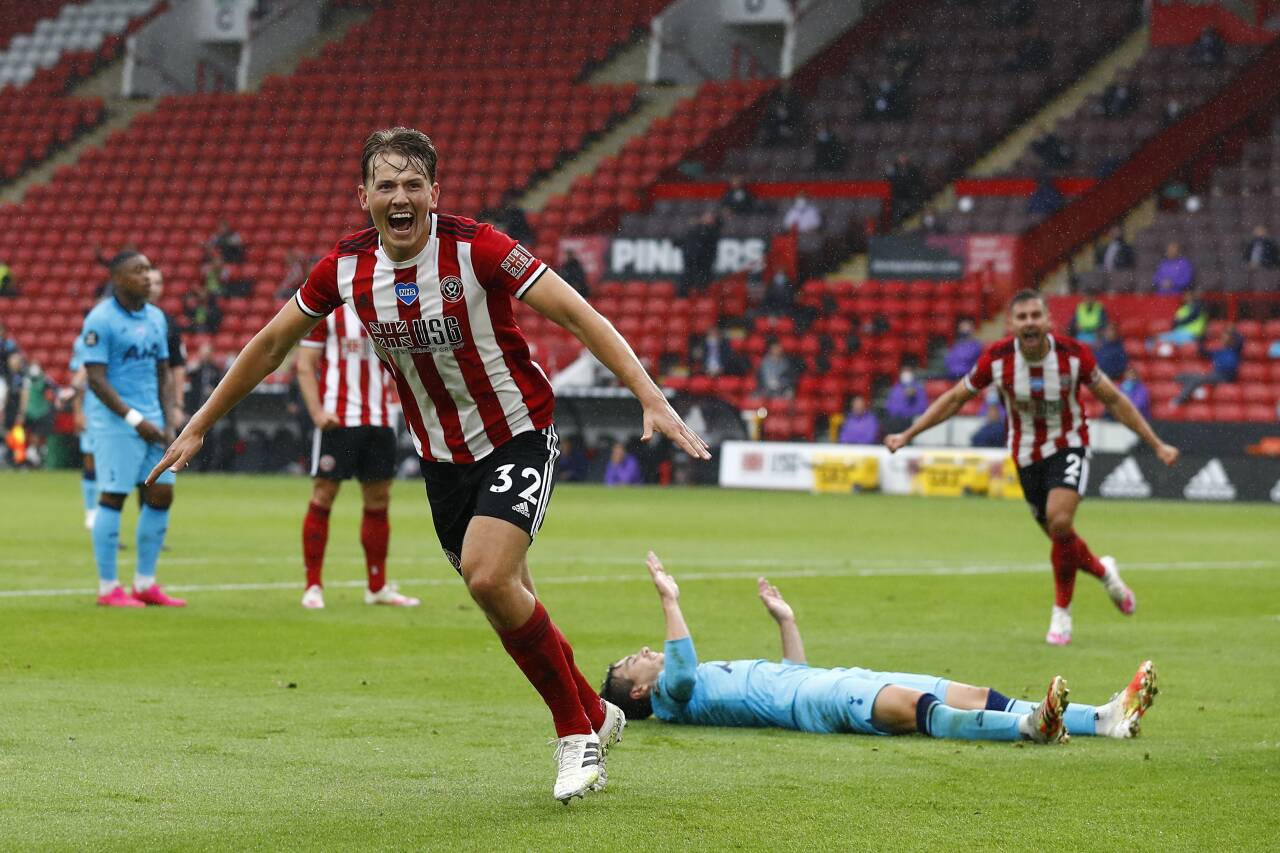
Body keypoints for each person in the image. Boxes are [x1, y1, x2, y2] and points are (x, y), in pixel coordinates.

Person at [147, 127, 709, 802]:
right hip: (442, 461)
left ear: (435, 193)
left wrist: (649, 393)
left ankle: (575, 735)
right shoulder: (346, 268)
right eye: (385, 185)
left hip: (517, 434)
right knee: (508, 597)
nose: (401, 196)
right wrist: (199, 424)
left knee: (487, 575)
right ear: (364, 198)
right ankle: (595, 710)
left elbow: (576, 313)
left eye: (414, 184)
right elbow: (271, 345)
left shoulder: (479, 248)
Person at [601, 552, 1159, 745]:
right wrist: (669, 599)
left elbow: (795, 671)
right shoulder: (673, 698)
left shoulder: (686, 686)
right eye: (634, 660)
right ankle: (1029, 728)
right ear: (643, 690)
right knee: (918, 712)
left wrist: (786, 622)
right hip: (815, 705)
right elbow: (680, 671)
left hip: (818, 683)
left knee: (962, 691)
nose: (645, 650)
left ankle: (1102, 719)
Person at [884, 290, 1180, 646]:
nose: (1029, 323)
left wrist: (1157, 443)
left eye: (1034, 316)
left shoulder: (1074, 356)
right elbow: (954, 398)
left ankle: (1061, 615)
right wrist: (909, 433)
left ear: (1048, 321)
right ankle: (1105, 573)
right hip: (1025, 456)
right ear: (1011, 325)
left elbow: (1114, 400)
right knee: (1062, 538)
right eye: (1021, 317)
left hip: (1069, 444)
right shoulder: (996, 359)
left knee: (1059, 520)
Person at [295, 303, 418, 610]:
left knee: (379, 499)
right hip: (338, 420)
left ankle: (376, 587)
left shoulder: (387, 304)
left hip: (380, 419)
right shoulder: (327, 310)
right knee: (323, 494)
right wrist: (317, 412)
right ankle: (313, 586)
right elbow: (305, 364)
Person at [81, 251, 185, 608]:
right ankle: (108, 587)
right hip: (116, 424)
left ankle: (144, 583)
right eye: (138, 271)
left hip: (155, 422)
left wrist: (169, 418)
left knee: (161, 495)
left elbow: (162, 372)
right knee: (114, 495)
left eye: (148, 270)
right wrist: (134, 420)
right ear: (117, 278)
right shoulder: (100, 319)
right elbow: (95, 380)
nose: (146, 276)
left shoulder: (156, 318)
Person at [149, 268, 187, 429]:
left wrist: (177, 405)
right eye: (149, 282)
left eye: (158, 283)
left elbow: (177, 365)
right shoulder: (117, 319)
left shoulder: (168, 323)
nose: (153, 287)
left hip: (160, 403)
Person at [69, 332, 99, 529]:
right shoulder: (84, 341)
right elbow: (77, 381)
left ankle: (106, 514)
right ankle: (91, 511)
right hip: (91, 410)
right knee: (90, 461)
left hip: (117, 411)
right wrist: (78, 411)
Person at [1174, 324, 1243, 405]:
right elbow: (1203, 352)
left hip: (1225, 377)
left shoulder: (1235, 350)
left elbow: (1240, 340)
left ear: (1231, 339)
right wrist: (1203, 339)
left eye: (1226, 336)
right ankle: (1190, 392)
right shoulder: (1218, 352)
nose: (1224, 338)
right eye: (1223, 337)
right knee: (1182, 376)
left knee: (1196, 380)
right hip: (1214, 375)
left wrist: (1233, 331)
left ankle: (1179, 400)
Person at [883, 368, 927, 433]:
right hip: (898, 421)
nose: (906, 376)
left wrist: (912, 398)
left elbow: (922, 408)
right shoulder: (895, 389)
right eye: (904, 373)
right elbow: (891, 408)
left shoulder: (919, 389)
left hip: (913, 421)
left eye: (908, 372)